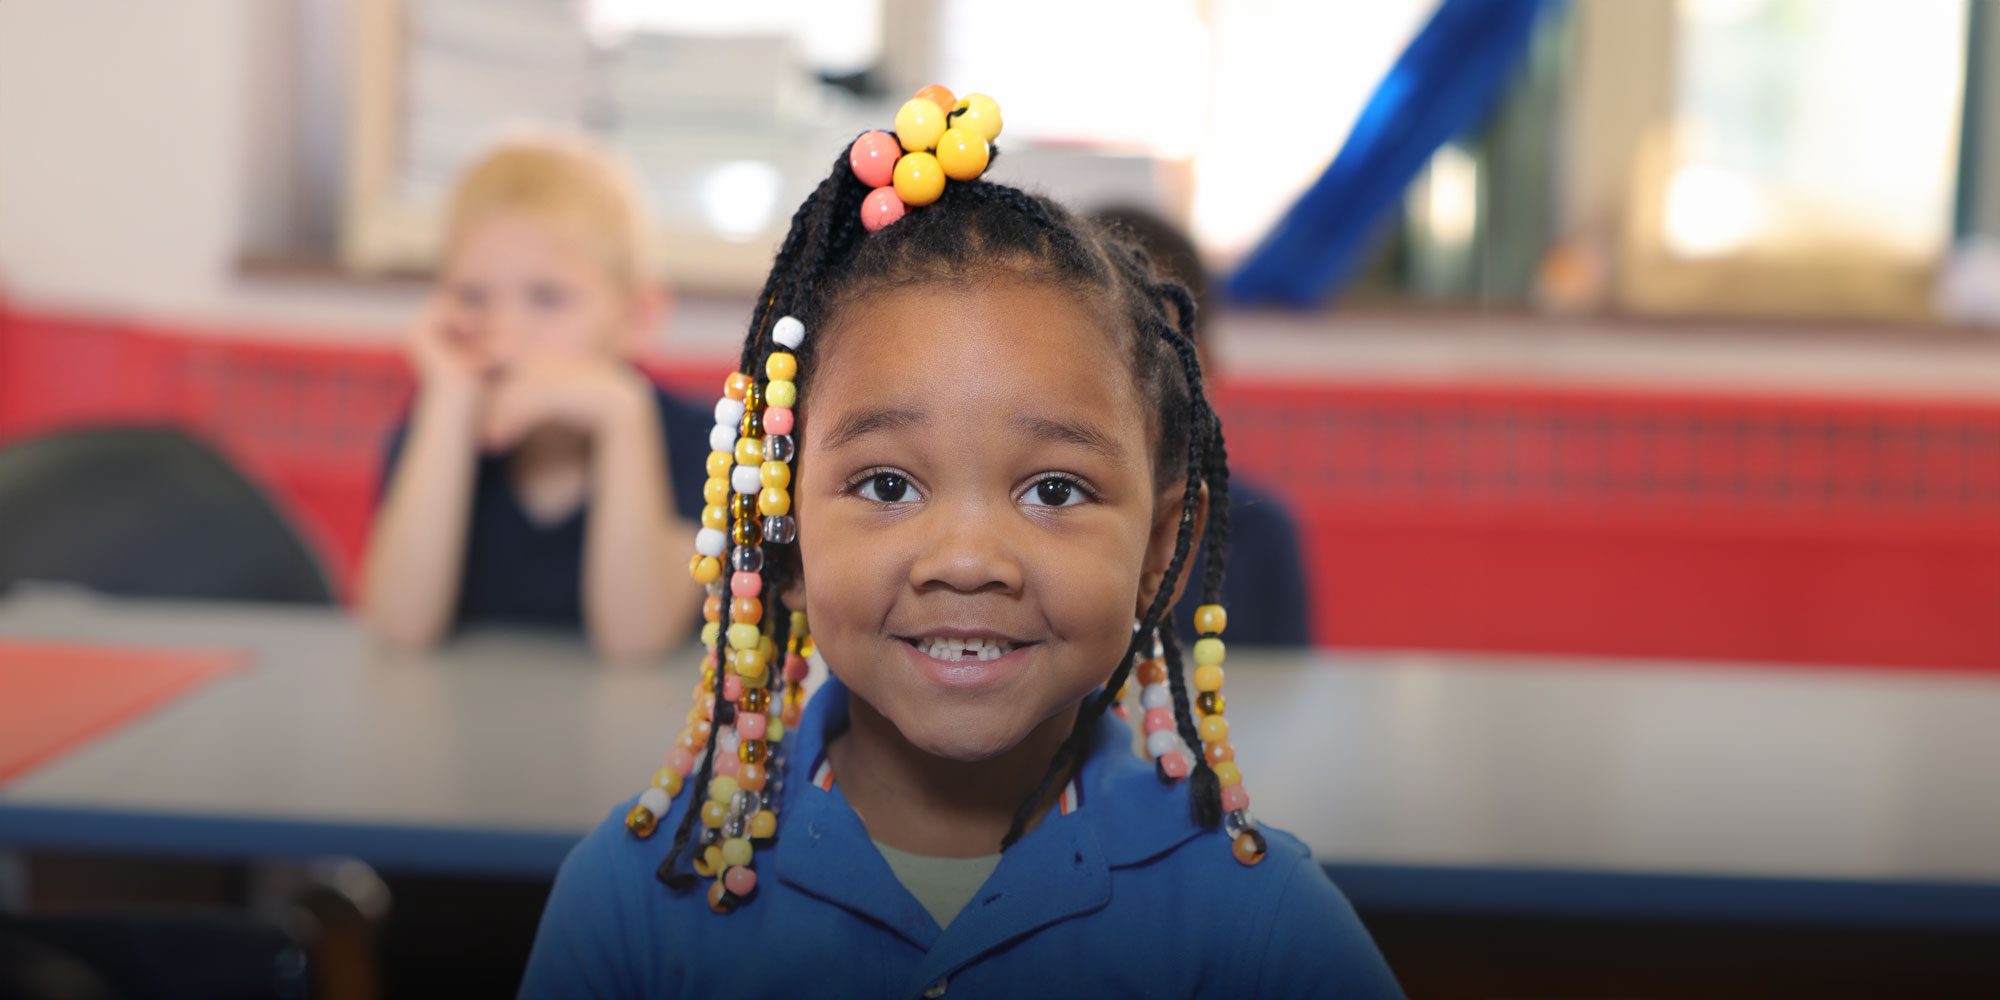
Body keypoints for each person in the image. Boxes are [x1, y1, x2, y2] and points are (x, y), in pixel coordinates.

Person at [522, 91, 1401, 996]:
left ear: (1158, 550)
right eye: (887, 485)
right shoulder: (633, 905)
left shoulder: (1258, 928)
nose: (969, 558)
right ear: (781, 542)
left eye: (1054, 490)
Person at [361, 131, 709, 660]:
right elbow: (399, 630)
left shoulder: (694, 443)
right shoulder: (436, 428)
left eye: (546, 298)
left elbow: (636, 641)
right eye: (472, 297)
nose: (504, 331)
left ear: (637, 317)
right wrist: (450, 397)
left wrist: (620, 414)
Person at [1092, 205, 1312, 647]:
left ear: (1205, 367)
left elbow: (1283, 692)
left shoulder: (1258, 533)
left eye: (1162, 351)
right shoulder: (1029, 520)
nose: (1135, 381)